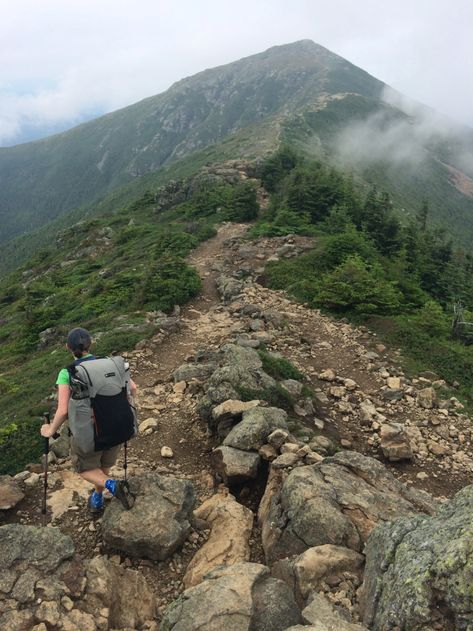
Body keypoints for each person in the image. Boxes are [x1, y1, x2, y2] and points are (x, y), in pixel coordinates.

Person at [40, 327, 137, 513]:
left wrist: (50, 430)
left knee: (85, 469)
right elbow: (133, 388)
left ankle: (112, 486)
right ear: (90, 344)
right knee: (104, 466)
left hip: (89, 432)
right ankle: (98, 498)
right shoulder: (111, 364)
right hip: (117, 424)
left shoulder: (68, 372)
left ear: (68, 347)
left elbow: (61, 411)